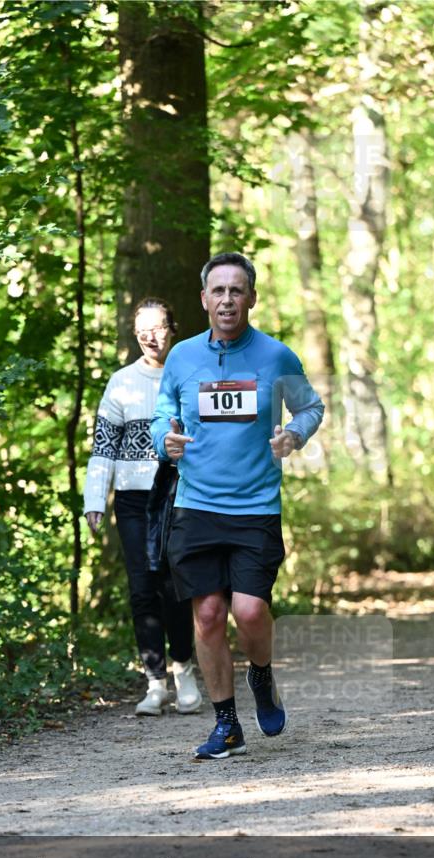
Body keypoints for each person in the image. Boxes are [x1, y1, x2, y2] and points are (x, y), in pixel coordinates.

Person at [150, 252, 324, 759]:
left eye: (237, 290)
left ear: (252, 297)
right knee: (207, 615)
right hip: (196, 506)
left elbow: (310, 407)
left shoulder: (275, 357)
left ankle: (262, 679)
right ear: (204, 299)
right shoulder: (182, 357)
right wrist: (167, 439)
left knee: (248, 611)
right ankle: (226, 725)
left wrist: (294, 433)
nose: (227, 299)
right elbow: (163, 414)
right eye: (218, 291)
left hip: (255, 507)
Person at [84, 298, 202, 716]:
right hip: (133, 499)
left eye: (158, 327)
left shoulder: (191, 372)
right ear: (136, 335)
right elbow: (103, 447)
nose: (151, 336)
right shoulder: (120, 383)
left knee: (174, 584)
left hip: (181, 493)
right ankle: (155, 684)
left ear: (173, 327)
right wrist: (94, 500)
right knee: (142, 588)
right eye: (142, 330)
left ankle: (184, 670)